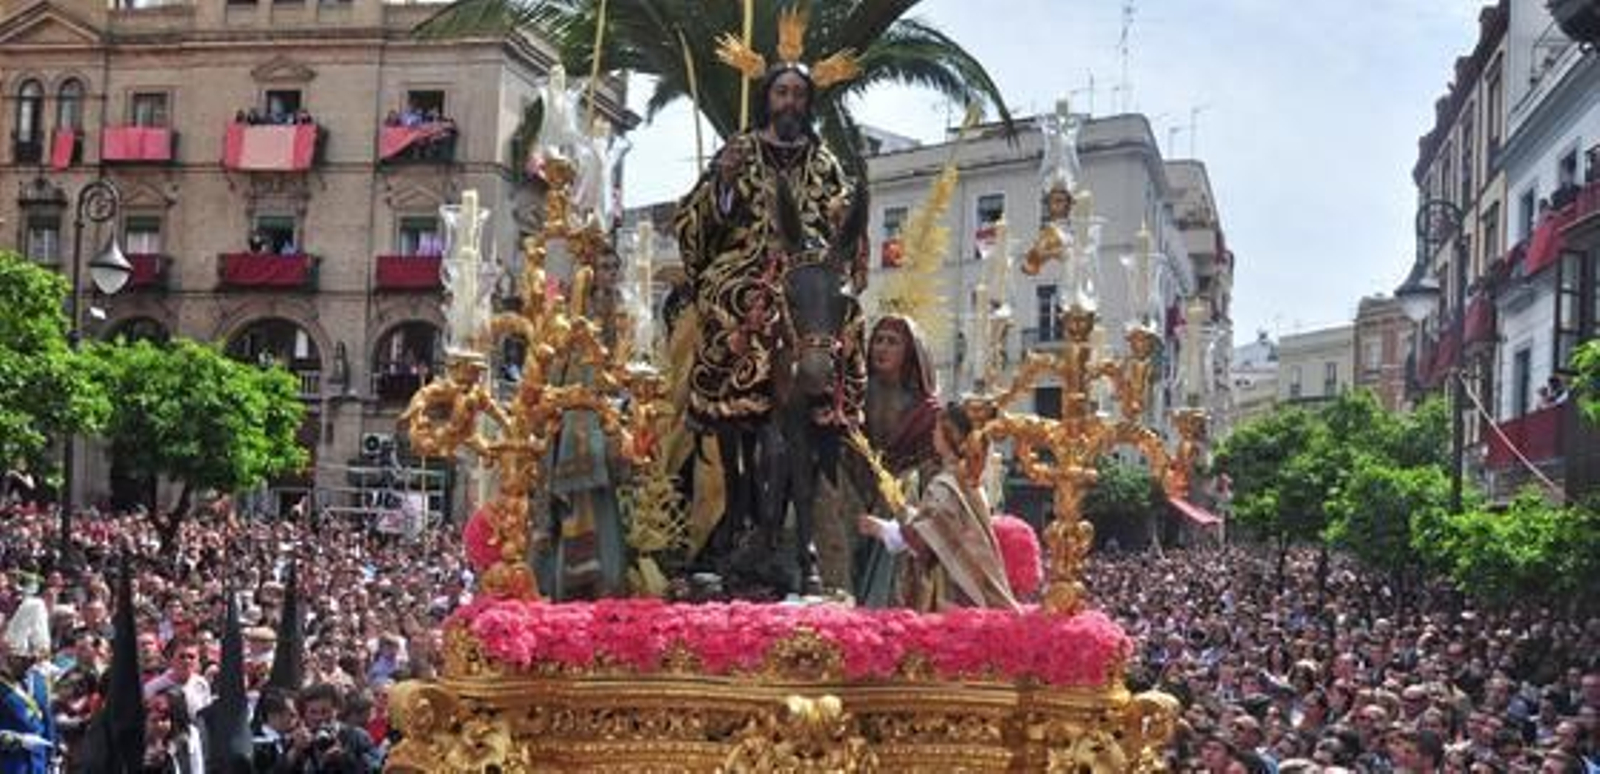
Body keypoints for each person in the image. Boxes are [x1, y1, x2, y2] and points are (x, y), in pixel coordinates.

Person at [674, 47, 865, 581]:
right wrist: (726, 186)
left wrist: (842, 221)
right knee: (728, 300)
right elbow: (694, 224)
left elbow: (841, 229)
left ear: (808, 103)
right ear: (767, 98)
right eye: (782, 92)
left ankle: (835, 400)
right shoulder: (740, 151)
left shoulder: (824, 162)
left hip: (807, 272)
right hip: (746, 266)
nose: (790, 101)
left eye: (799, 94)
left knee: (843, 315)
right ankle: (729, 399)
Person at [856, 402, 1019, 612]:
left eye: (937, 429)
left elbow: (926, 541)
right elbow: (939, 525)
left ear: (951, 435)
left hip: (953, 591)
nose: (932, 433)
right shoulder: (966, 479)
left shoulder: (946, 484)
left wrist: (882, 528)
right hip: (969, 584)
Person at [538, 248, 630, 600]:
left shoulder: (624, 315)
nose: (609, 273)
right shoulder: (576, 323)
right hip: (579, 423)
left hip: (613, 417)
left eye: (613, 266)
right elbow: (561, 375)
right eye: (603, 267)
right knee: (579, 503)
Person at [0, 595, 56, 774]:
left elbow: (47, 720)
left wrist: (53, 756)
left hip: (37, 765)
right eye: (22, 660)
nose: (29, 664)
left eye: (32, 660)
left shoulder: (39, 680)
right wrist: (17, 740)